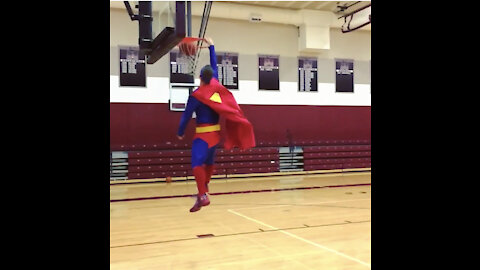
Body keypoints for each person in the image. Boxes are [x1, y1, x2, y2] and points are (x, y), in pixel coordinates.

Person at [177, 37, 255, 212]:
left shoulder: (196, 95)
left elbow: (186, 115)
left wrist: (180, 132)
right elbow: (215, 65)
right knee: (209, 161)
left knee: (196, 163)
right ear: (212, 77)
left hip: (203, 135)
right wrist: (212, 46)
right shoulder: (217, 86)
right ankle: (204, 188)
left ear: (199, 77)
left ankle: (202, 194)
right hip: (216, 136)